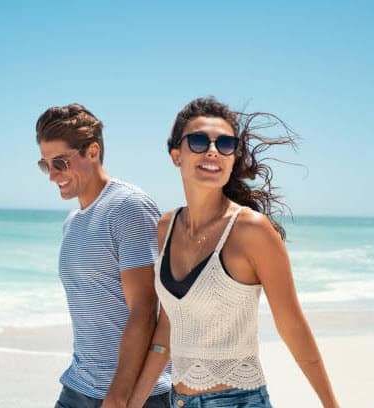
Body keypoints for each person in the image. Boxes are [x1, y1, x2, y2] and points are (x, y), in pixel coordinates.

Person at [127, 97, 339, 408]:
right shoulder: (166, 227)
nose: (212, 150)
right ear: (176, 155)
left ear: (232, 156)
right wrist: (133, 402)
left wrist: (331, 405)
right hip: (179, 401)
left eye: (225, 143)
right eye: (199, 141)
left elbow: (291, 325)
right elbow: (169, 330)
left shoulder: (251, 230)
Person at [36, 103, 172, 408]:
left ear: (93, 152)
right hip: (79, 386)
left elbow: (145, 308)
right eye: (46, 165)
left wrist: (120, 394)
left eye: (60, 162)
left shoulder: (129, 208)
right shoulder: (73, 221)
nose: (52, 175)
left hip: (136, 395)